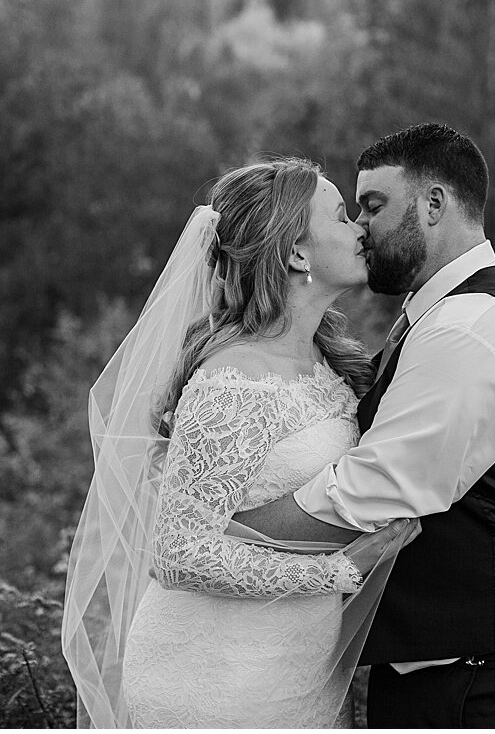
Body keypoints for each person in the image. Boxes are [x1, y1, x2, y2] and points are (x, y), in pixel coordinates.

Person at [235, 123, 495, 728]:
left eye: (373, 205)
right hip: (455, 669)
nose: (360, 227)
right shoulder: (442, 317)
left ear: (434, 204)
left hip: (483, 680)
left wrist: (225, 532)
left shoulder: (470, 327)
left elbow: (374, 491)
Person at [61, 157, 416, 728]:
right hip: (214, 678)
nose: (359, 230)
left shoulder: (328, 364)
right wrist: (340, 573)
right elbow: (178, 553)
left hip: (294, 667)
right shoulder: (236, 381)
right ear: (297, 253)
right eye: (341, 216)